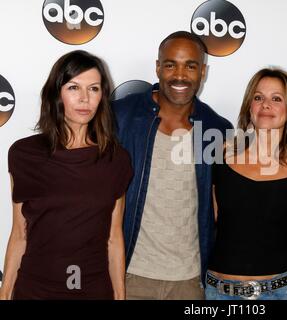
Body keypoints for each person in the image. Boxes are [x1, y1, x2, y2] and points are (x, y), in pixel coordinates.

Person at [0, 50, 132, 300]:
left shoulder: (116, 159)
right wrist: (5, 293)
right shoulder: (24, 154)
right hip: (34, 290)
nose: (85, 99)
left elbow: (114, 238)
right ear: (56, 93)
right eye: (74, 87)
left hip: (93, 289)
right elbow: (19, 233)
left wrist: (120, 296)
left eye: (93, 89)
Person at [112, 31, 232, 300]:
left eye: (190, 66)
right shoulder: (120, 117)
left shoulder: (216, 129)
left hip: (188, 282)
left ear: (203, 71)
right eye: (170, 65)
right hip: (130, 276)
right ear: (157, 68)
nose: (180, 75)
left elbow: (228, 199)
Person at [205, 68, 287, 300]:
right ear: (250, 108)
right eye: (258, 98)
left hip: (278, 292)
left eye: (276, 99)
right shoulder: (221, 158)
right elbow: (209, 221)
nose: (265, 105)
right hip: (217, 292)